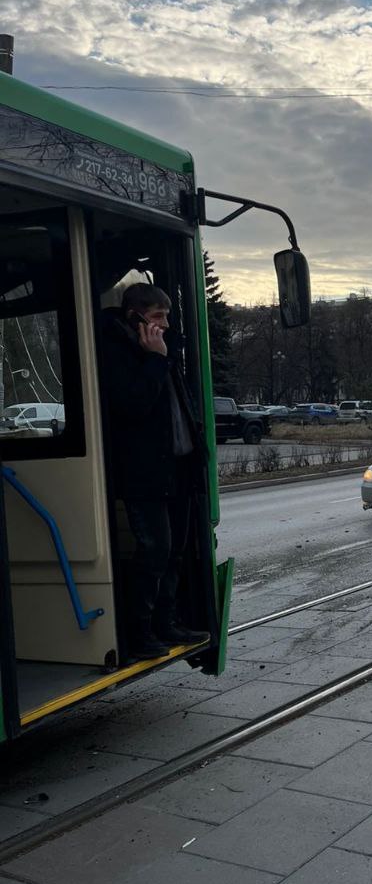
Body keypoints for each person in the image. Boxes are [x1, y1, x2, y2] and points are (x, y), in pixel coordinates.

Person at [102, 283, 208, 661]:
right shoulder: (123, 352)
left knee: (175, 551)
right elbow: (132, 406)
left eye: (167, 315)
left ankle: (167, 622)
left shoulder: (164, 351)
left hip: (178, 467)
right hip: (144, 471)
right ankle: (139, 631)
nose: (165, 323)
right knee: (154, 551)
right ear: (135, 317)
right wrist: (154, 359)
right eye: (158, 316)